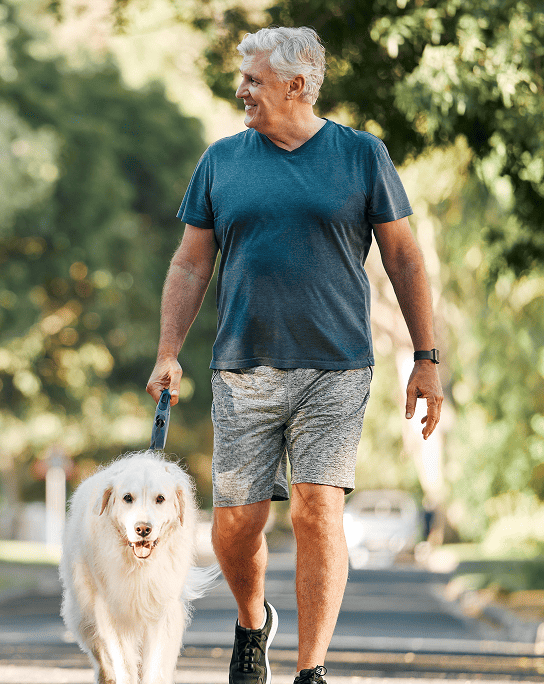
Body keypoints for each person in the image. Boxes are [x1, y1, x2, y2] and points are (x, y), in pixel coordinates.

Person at [146, 26, 443, 684]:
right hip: (242, 364)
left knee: (317, 506)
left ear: (296, 85)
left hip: (336, 365)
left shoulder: (361, 155)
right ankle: (254, 622)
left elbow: (403, 257)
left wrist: (426, 356)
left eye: (252, 79)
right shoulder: (222, 161)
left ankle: (311, 669)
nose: (240, 89)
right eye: (243, 78)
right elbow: (192, 266)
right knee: (235, 525)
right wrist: (169, 351)